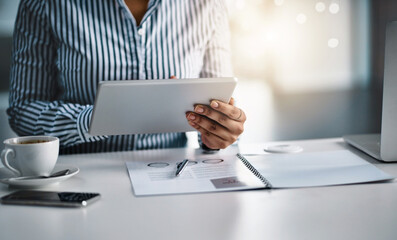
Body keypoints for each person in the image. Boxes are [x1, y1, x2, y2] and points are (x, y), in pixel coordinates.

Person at [7, 0, 246, 154]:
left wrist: (216, 134)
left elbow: (217, 106)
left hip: (172, 174)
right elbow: (23, 110)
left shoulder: (209, 6)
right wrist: (95, 119)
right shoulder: (45, 4)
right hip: (81, 175)